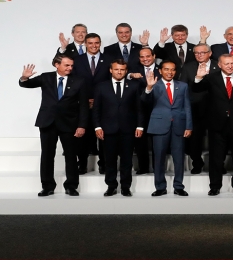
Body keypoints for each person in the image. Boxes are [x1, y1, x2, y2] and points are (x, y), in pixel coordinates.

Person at [19, 55, 88, 196]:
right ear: (57, 65)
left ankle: (71, 186)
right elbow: (25, 84)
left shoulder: (79, 81)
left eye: (71, 66)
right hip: (47, 122)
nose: (70, 68)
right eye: (66, 65)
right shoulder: (46, 77)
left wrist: (82, 125)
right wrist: (24, 77)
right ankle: (47, 186)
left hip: (69, 124)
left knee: (71, 156)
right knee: (47, 155)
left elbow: (84, 107)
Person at [193, 54, 233, 196]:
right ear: (219, 64)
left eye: (232, 63)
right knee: (216, 158)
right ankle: (215, 186)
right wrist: (198, 77)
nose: (230, 66)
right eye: (226, 64)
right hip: (217, 125)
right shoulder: (211, 78)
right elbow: (197, 90)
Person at [92, 59, 144, 197]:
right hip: (107, 130)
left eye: (122, 69)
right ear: (111, 70)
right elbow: (96, 109)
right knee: (109, 160)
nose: (119, 72)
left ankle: (126, 187)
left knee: (127, 160)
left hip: (128, 129)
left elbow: (139, 108)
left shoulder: (134, 85)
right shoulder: (101, 86)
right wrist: (97, 127)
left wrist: (140, 126)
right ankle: (111, 186)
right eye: (116, 69)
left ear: (126, 71)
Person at [143, 61, 193, 197]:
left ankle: (178, 186)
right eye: (166, 69)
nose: (169, 72)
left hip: (179, 126)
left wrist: (189, 126)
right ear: (160, 70)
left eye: (172, 70)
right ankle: (160, 187)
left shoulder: (182, 86)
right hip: (159, 126)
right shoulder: (153, 85)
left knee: (179, 158)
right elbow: (144, 102)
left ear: (175, 71)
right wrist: (148, 88)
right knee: (158, 158)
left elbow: (187, 107)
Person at [71, 33, 111, 174]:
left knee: (103, 135)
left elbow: (111, 82)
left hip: (104, 104)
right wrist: (84, 99)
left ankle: (103, 164)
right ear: (85, 44)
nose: (94, 46)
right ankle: (82, 165)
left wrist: (98, 99)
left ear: (100, 43)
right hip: (83, 104)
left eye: (96, 43)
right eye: (90, 43)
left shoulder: (108, 59)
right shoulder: (77, 60)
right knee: (83, 135)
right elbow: (73, 81)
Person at [179, 44, 219, 174]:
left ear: (210, 53)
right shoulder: (188, 67)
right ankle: (196, 163)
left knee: (217, 139)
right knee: (195, 139)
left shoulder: (218, 64)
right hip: (195, 108)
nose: (199, 55)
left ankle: (218, 164)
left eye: (202, 52)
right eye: (196, 53)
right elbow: (183, 87)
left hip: (215, 108)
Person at [127, 47, 158, 174]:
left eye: (148, 56)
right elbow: (124, 75)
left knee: (157, 141)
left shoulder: (162, 69)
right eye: (142, 57)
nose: (145, 59)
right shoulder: (134, 69)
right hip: (138, 110)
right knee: (140, 141)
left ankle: (158, 167)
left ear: (154, 56)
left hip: (157, 109)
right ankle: (143, 167)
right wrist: (130, 75)